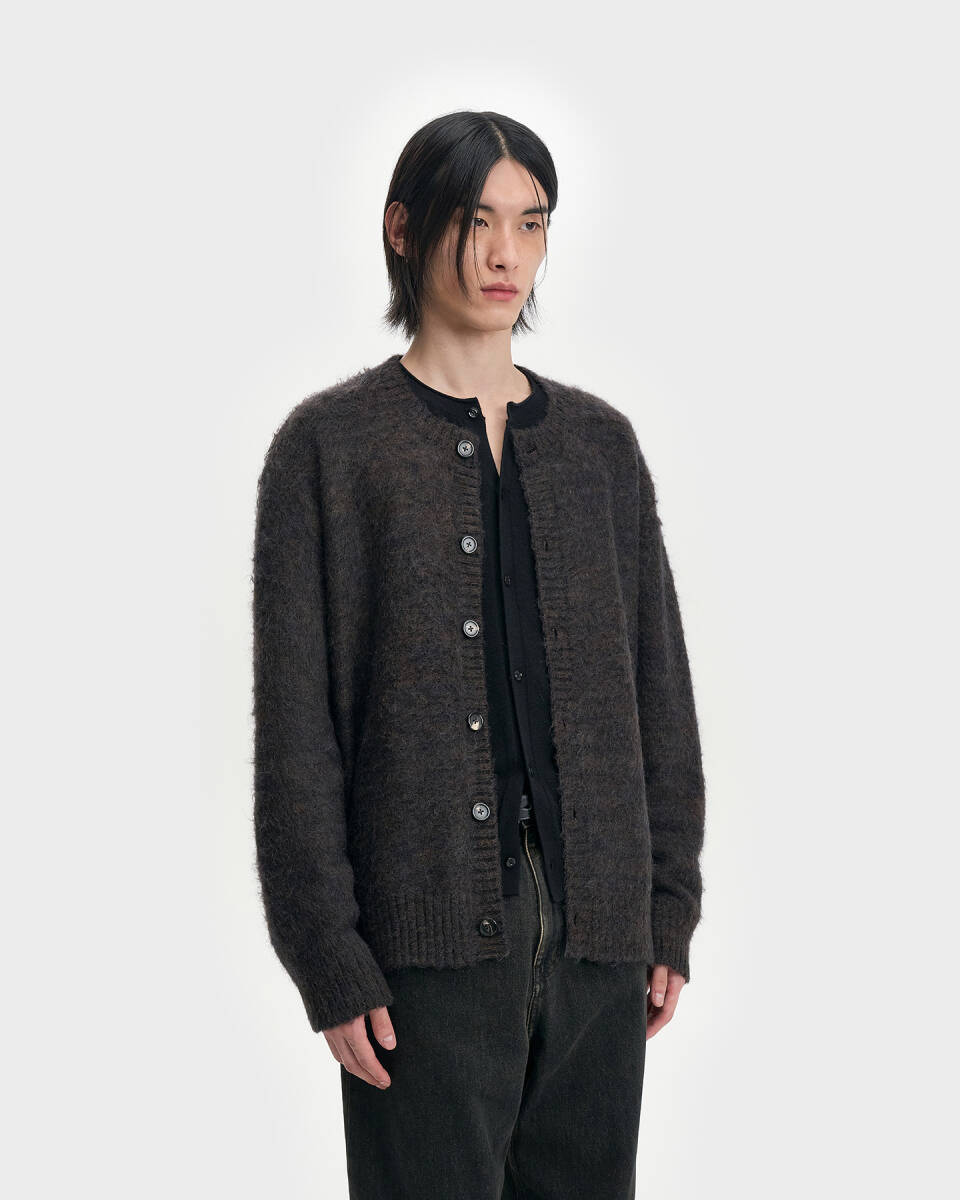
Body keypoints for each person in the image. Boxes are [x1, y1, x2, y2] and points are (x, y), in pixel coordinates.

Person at [251, 110, 707, 1199]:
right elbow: (298, 733)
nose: (507, 253)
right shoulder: (330, 449)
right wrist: (327, 953)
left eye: (531, 222)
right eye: (476, 220)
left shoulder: (600, 446)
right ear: (403, 229)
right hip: (425, 958)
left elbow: (660, 691)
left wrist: (666, 907)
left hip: (599, 947)